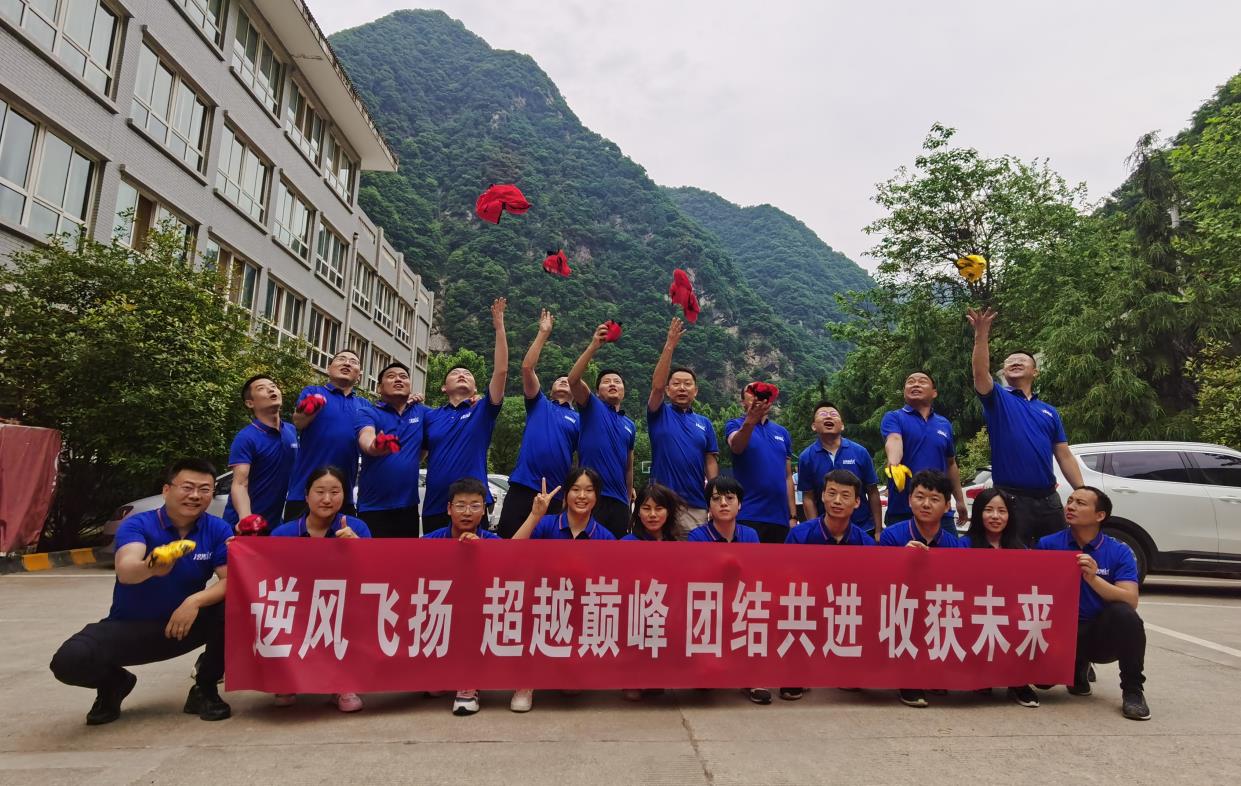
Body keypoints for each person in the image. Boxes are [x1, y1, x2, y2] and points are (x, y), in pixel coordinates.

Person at [50, 459, 232, 724]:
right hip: (130, 628)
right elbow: (126, 570)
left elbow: (230, 580)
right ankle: (114, 683)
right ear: (167, 490)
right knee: (69, 661)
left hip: (184, 625)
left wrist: (194, 602)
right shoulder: (139, 524)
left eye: (204, 490)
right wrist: (151, 567)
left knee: (235, 609)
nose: (195, 496)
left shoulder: (217, 528)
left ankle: (205, 688)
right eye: (187, 487)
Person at [968, 307, 1084, 544]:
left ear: (1035, 371)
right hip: (1010, 499)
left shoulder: (1049, 411)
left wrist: (1082, 490)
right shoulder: (998, 399)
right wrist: (981, 334)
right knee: (1014, 559)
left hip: (1048, 499)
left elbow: (1063, 454)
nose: (1015, 362)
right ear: (1004, 371)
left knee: (1057, 555)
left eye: (1022, 360)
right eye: (1010, 361)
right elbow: (980, 373)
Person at [1038, 487, 1150, 721]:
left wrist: (1093, 578)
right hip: (1057, 632)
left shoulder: (1119, 551)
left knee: (1126, 615)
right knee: (1042, 683)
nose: (1070, 506)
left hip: (1098, 635)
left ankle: (1133, 691)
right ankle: (1076, 667)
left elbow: (1130, 599)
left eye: (1080, 503)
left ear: (1100, 515)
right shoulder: (1048, 544)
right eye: (1069, 501)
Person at [510, 468, 616, 713]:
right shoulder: (546, 524)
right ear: (566, 494)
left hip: (581, 610)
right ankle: (525, 684)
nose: (582, 496)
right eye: (576, 489)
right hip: (541, 605)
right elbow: (511, 551)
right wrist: (535, 516)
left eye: (589, 490)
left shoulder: (605, 537)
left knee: (571, 688)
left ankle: (568, 668)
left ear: (597, 496)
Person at [270, 466, 371, 712]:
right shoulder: (283, 533)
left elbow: (373, 575)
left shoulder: (357, 528)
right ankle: (287, 677)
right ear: (306, 495)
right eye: (320, 492)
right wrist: (240, 548)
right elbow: (264, 577)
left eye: (335, 492)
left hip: (341, 606)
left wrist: (358, 548)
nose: (327, 499)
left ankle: (342, 683)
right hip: (299, 606)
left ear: (344, 496)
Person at [780, 469, 876, 701]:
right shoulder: (800, 535)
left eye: (845, 495)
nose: (837, 501)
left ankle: (849, 666)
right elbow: (784, 579)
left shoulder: (865, 543)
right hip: (808, 602)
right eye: (831, 493)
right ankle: (794, 671)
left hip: (845, 607)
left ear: (857, 502)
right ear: (822, 496)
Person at [878, 469, 965, 708]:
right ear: (909, 500)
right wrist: (901, 560)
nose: (926, 504)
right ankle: (908, 679)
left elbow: (957, 585)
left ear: (947, 506)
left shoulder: (953, 544)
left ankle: (933, 671)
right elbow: (880, 583)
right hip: (901, 606)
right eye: (920, 497)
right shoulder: (891, 537)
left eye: (934, 499)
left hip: (935, 607)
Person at [422, 298, 509, 534]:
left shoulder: (482, 410)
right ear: (443, 387)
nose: (462, 374)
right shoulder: (429, 416)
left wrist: (499, 328)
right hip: (435, 505)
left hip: (472, 506)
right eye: (455, 373)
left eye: (468, 374)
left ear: (476, 387)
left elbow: (501, 371)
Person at [685, 476, 768, 704]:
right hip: (710, 604)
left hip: (743, 601)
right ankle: (707, 664)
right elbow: (696, 578)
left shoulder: (750, 535)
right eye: (716, 499)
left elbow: (756, 575)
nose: (723, 503)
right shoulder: (696, 537)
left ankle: (752, 678)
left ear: (739, 504)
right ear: (708, 506)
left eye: (730, 498)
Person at [498, 309, 581, 538]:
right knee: (508, 544)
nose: (564, 381)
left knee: (546, 551)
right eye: (559, 379)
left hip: (555, 492)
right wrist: (543, 333)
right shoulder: (539, 403)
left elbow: (582, 457)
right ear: (550, 389)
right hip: (522, 485)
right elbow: (527, 368)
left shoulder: (580, 419)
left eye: (568, 380)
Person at [422, 477, 499, 716]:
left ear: (484, 510)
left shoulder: (493, 542)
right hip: (439, 613)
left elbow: (510, 570)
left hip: (478, 616)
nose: (467, 512)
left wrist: (482, 553)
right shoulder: (430, 541)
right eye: (461, 505)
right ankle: (437, 670)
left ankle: (468, 684)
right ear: (449, 508)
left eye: (475, 506)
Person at [963, 488, 1041, 708]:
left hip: (1011, 611)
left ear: (1010, 516)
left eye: (1002, 511)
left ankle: (1018, 682)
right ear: (978, 513)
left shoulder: (1020, 549)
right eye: (988, 510)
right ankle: (981, 676)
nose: (995, 516)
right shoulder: (964, 545)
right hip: (974, 609)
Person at [647, 318, 719, 537]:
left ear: (695, 391)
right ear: (668, 390)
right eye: (676, 384)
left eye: (687, 384)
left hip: (695, 505)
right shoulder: (658, 412)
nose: (682, 388)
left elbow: (710, 462)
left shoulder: (704, 423)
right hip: (661, 503)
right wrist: (670, 345)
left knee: (695, 556)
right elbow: (656, 386)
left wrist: (714, 498)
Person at [566, 323, 636, 538]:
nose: (612, 384)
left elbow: (629, 467)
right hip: (591, 497)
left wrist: (628, 498)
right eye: (606, 382)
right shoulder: (592, 407)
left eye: (617, 382)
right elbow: (573, 380)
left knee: (614, 553)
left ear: (624, 390)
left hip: (619, 501)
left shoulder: (630, 425)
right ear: (597, 391)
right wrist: (594, 345)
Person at [285, 350, 370, 520]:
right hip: (305, 494)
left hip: (343, 496)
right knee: (296, 538)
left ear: (359, 376)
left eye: (353, 362)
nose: (347, 363)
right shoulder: (312, 391)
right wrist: (310, 407)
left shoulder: (365, 405)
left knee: (344, 537)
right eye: (341, 359)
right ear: (328, 368)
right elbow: (299, 421)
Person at [881, 371, 967, 529]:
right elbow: (894, 440)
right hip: (903, 511)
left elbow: (951, 464)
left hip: (940, 511)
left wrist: (960, 500)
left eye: (922, 381)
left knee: (949, 546)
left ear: (934, 392)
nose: (915, 384)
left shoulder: (944, 424)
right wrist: (894, 463)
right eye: (910, 382)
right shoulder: (894, 417)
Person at [354, 362, 427, 538]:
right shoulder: (367, 412)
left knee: (404, 555)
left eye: (403, 376)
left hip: (408, 507)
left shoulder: (423, 413)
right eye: (391, 376)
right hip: (373, 507)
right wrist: (375, 446)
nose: (398, 380)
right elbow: (366, 438)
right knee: (371, 555)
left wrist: (472, 401)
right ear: (379, 387)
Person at [223, 375, 299, 534]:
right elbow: (239, 484)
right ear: (250, 403)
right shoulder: (246, 437)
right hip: (243, 527)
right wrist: (246, 520)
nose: (271, 389)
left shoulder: (291, 431)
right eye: (261, 388)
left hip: (275, 525)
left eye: (273, 386)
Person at [726, 382, 798, 544]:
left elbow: (788, 476)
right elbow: (736, 446)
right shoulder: (734, 424)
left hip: (780, 518)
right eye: (752, 393)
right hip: (747, 514)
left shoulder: (782, 432)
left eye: (762, 394)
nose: (758, 397)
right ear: (743, 402)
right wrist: (751, 420)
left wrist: (793, 516)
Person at [796, 402, 882, 534]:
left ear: (842, 425)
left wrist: (878, 530)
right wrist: (816, 531)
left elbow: (873, 491)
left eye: (833, 414)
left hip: (863, 528)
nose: (828, 417)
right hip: (826, 532)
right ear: (813, 426)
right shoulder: (806, 457)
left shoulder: (860, 452)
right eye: (822, 414)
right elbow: (808, 497)